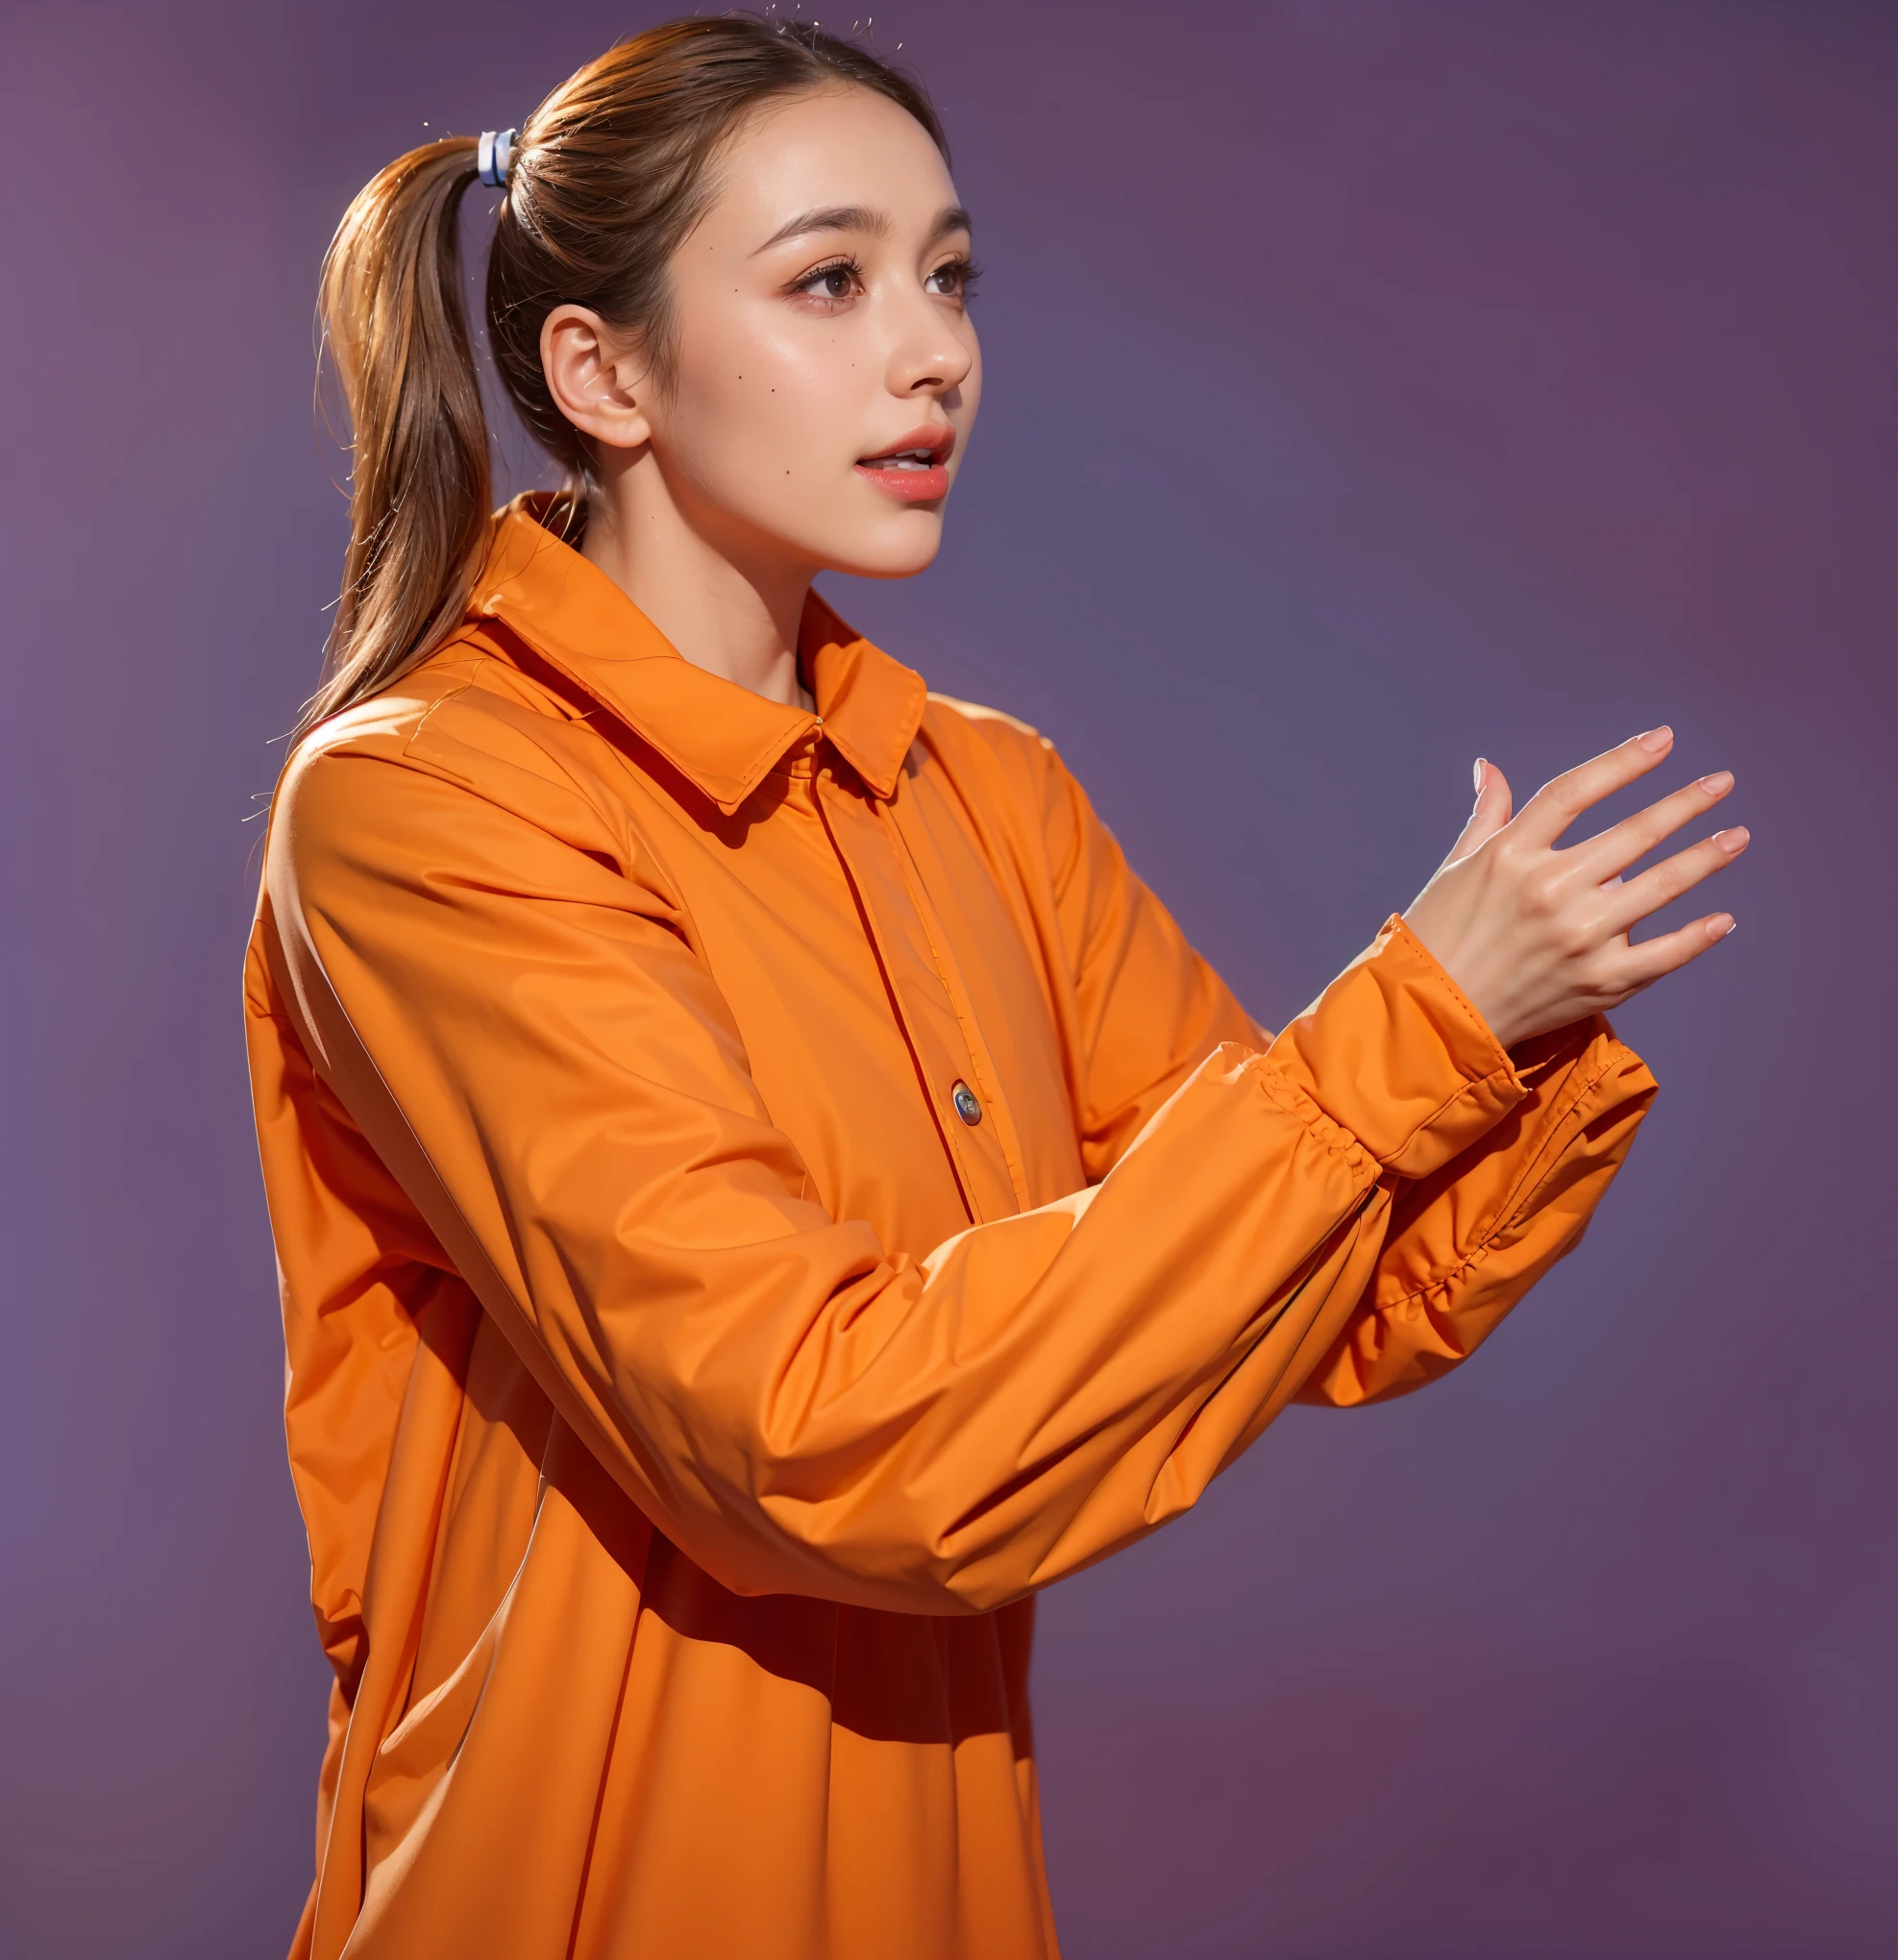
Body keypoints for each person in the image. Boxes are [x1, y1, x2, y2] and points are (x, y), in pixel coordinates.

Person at [244, 18, 1745, 1958]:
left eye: (951, 274)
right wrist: (1417, 1022)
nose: (934, 349)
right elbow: (812, 1435)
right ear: (601, 371)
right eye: (831, 281)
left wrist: (1504, 1020)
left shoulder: (988, 796)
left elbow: (1332, 1295)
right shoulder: (422, 808)